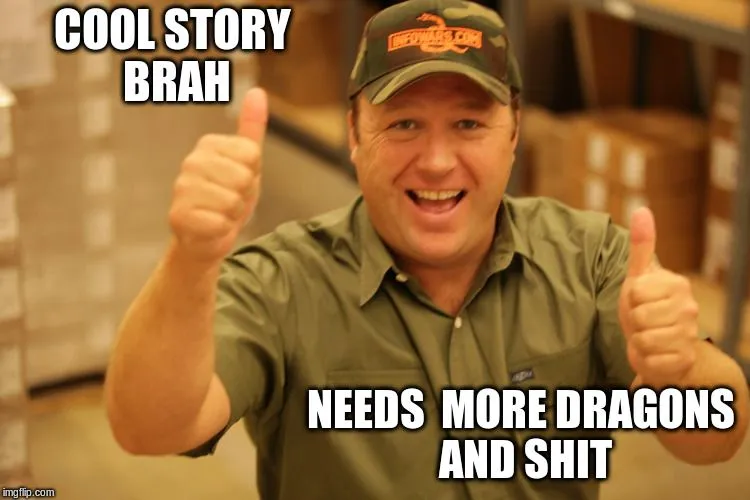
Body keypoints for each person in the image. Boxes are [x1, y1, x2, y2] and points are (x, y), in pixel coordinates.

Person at [103, 0, 749, 498]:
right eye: (404, 123)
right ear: (354, 134)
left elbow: (719, 437)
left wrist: (679, 372)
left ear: (514, 133)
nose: (437, 161)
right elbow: (148, 426)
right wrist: (191, 260)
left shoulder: (591, 260)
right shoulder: (284, 282)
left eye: (468, 123)